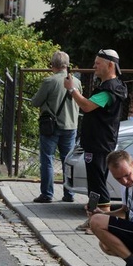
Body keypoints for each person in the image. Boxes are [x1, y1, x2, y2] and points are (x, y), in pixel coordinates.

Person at [64, 49, 127, 233]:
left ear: (110, 65)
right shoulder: (108, 86)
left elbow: (86, 106)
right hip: (96, 142)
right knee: (93, 182)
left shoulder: (110, 89)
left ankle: (102, 223)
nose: (94, 67)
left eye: (97, 63)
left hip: (100, 143)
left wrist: (71, 89)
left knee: (98, 181)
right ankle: (92, 218)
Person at [31, 51, 81, 203]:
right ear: (67, 65)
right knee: (68, 161)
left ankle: (47, 194)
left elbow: (35, 102)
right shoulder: (76, 82)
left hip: (51, 127)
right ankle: (69, 194)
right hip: (71, 125)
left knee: (47, 160)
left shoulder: (49, 81)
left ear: (52, 65)